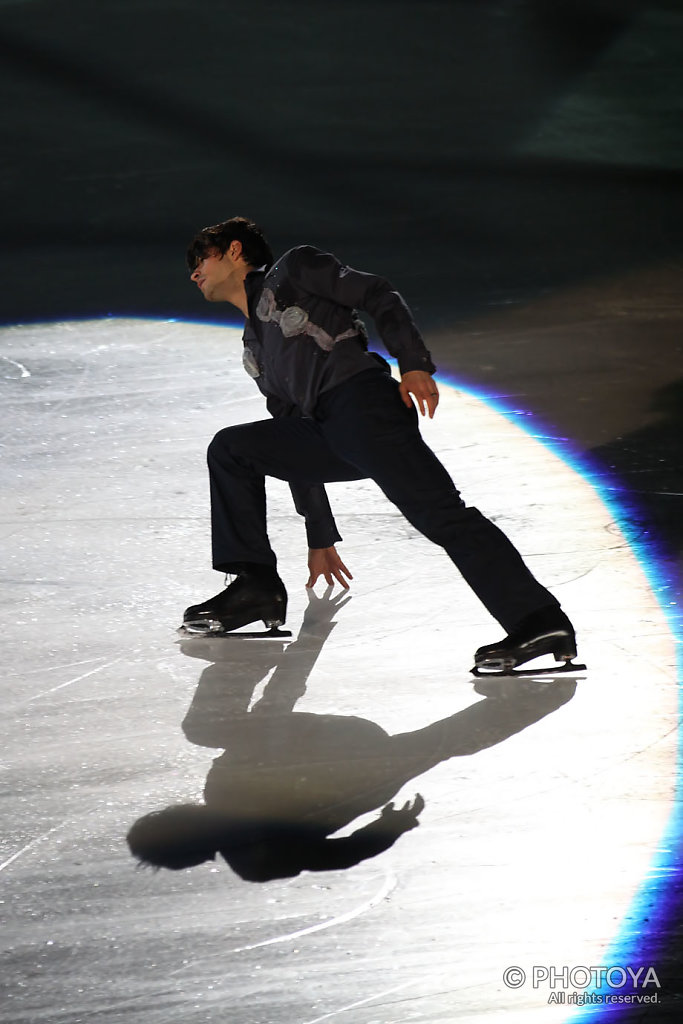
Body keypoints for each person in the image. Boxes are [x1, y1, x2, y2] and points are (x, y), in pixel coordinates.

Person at [182, 216, 580, 673]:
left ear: (234, 251)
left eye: (201, 259)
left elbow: (378, 293)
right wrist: (320, 534)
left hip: (364, 407)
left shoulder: (294, 269)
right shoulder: (256, 346)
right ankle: (255, 586)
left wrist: (413, 364)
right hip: (326, 431)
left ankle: (539, 621)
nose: (194, 273)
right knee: (233, 448)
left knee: (443, 517)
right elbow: (289, 429)